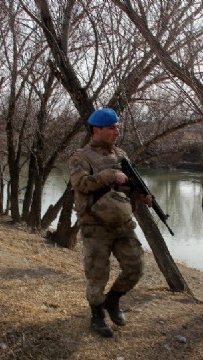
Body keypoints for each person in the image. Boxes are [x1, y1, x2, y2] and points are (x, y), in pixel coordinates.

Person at [68, 108, 153, 338]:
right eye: (112, 127)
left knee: (136, 267)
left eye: (118, 126)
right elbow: (81, 184)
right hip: (95, 226)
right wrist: (109, 176)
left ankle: (112, 300)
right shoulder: (81, 157)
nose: (117, 131)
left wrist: (142, 195)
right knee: (97, 274)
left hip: (122, 223)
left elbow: (129, 185)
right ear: (97, 130)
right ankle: (97, 315)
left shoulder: (121, 154)